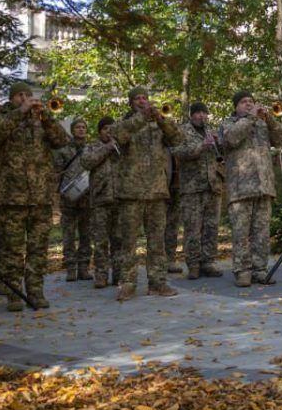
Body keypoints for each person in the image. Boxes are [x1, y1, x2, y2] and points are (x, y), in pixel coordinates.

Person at [0, 82, 70, 310]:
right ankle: (14, 294)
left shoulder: (40, 121)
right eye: (20, 95)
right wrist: (20, 112)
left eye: (28, 95)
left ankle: (35, 292)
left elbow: (62, 141)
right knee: (12, 250)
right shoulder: (1, 118)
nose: (25, 98)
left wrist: (46, 117)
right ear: (12, 99)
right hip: (12, 198)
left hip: (41, 197)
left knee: (38, 249)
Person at [111, 87, 185, 300]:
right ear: (130, 102)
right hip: (131, 192)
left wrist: (161, 119)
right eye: (137, 98)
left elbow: (178, 139)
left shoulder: (158, 125)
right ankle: (127, 283)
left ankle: (158, 282)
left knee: (157, 241)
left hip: (157, 191)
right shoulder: (124, 123)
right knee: (128, 242)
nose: (142, 101)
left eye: (145, 98)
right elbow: (119, 136)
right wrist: (141, 118)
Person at [220, 91, 282, 286]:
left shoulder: (262, 124)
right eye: (244, 102)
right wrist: (251, 117)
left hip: (263, 187)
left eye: (251, 101)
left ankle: (260, 270)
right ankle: (242, 271)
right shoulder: (228, 123)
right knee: (241, 234)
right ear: (236, 107)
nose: (249, 104)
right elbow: (231, 139)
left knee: (262, 233)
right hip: (240, 189)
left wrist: (270, 119)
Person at [174, 102, 224, 279]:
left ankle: (208, 262)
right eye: (198, 113)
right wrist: (200, 146)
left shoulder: (210, 130)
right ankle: (193, 264)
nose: (202, 116)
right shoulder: (182, 131)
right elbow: (177, 152)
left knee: (211, 227)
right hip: (192, 187)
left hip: (212, 185)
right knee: (192, 228)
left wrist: (219, 143)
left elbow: (223, 154)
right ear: (191, 115)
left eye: (204, 113)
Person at [80, 117, 121, 288]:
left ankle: (119, 275)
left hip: (119, 200)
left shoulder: (121, 146)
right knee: (100, 241)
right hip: (100, 201)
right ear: (99, 132)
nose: (108, 132)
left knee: (119, 240)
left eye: (111, 128)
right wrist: (106, 148)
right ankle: (101, 275)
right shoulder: (92, 146)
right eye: (105, 129)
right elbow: (86, 162)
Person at [55, 118, 92, 282]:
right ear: (72, 130)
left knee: (86, 234)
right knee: (68, 234)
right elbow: (56, 173)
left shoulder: (91, 149)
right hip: (68, 199)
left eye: (83, 127)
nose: (81, 130)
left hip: (87, 198)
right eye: (78, 127)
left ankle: (84, 267)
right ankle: (70, 268)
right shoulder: (63, 150)